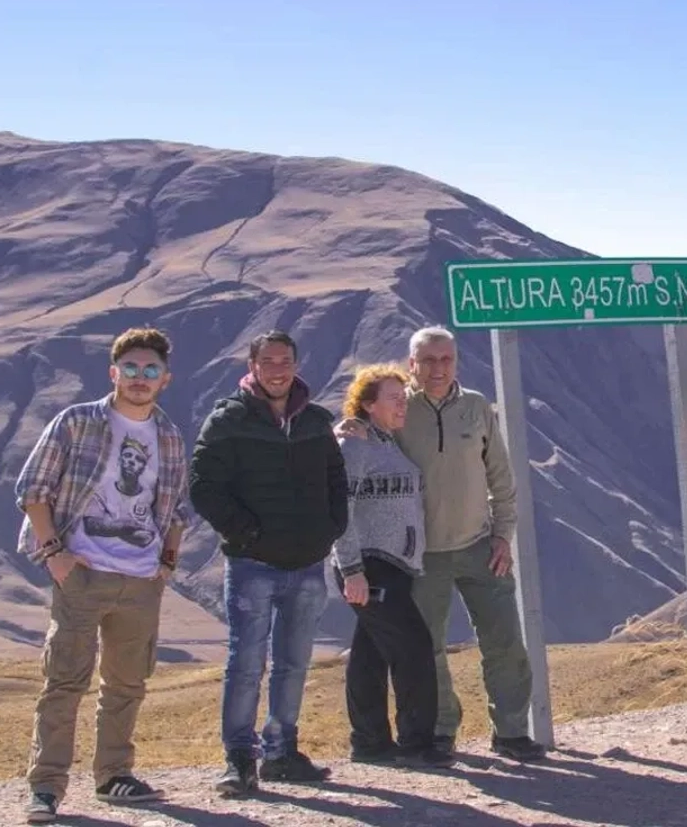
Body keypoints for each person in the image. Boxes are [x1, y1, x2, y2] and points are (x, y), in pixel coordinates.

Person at [337, 326, 544, 762]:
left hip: (480, 546)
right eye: (428, 360)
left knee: (505, 641)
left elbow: (500, 476)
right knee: (425, 649)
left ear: (456, 361)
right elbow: (365, 440)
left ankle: (511, 732)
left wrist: (502, 534)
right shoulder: (399, 408)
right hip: (420, 558)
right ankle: (440, 730)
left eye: (446, 359)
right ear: (412, 364)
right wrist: (349, 427)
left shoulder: (476, 407)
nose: (438, 368)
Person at [13, 327, 191, 824]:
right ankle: (46, 787)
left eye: (150, 369)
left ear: (165, 378)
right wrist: (55, 554)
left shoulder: (169, 436)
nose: (139, 377)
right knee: (64, 682)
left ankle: (114, 775)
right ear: (113, 373)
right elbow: (33, 489)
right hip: (82, 573)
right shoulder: (77, 422)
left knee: (127, 683)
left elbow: (176, 508)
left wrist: (166, 564)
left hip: (141, 578)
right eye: (130, 368)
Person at [190, 329, 350, 796]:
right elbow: (203, 485)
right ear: (253, 367)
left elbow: (336, 478)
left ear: (296, 365)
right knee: (246, 663)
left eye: (285, 361)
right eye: (268, 362)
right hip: (252, 564)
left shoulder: (315, 422)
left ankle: (281, 752)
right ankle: (240, 758)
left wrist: (331, 527)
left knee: (294, 663)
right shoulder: (229, 421)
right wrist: (245, 532)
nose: (277, 370)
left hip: (307, 563)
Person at [330, 363, 455, 769]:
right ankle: (417, 743)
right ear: (368, 405)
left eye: (404, 398)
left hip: (397, 565)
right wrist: (351, 569)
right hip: (369, 564)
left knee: (371, 653)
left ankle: (369, 742)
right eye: (393, 399)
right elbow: (341, 509)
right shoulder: (355, 447)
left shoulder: (386, 443)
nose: (403, 405)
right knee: (414, 648)